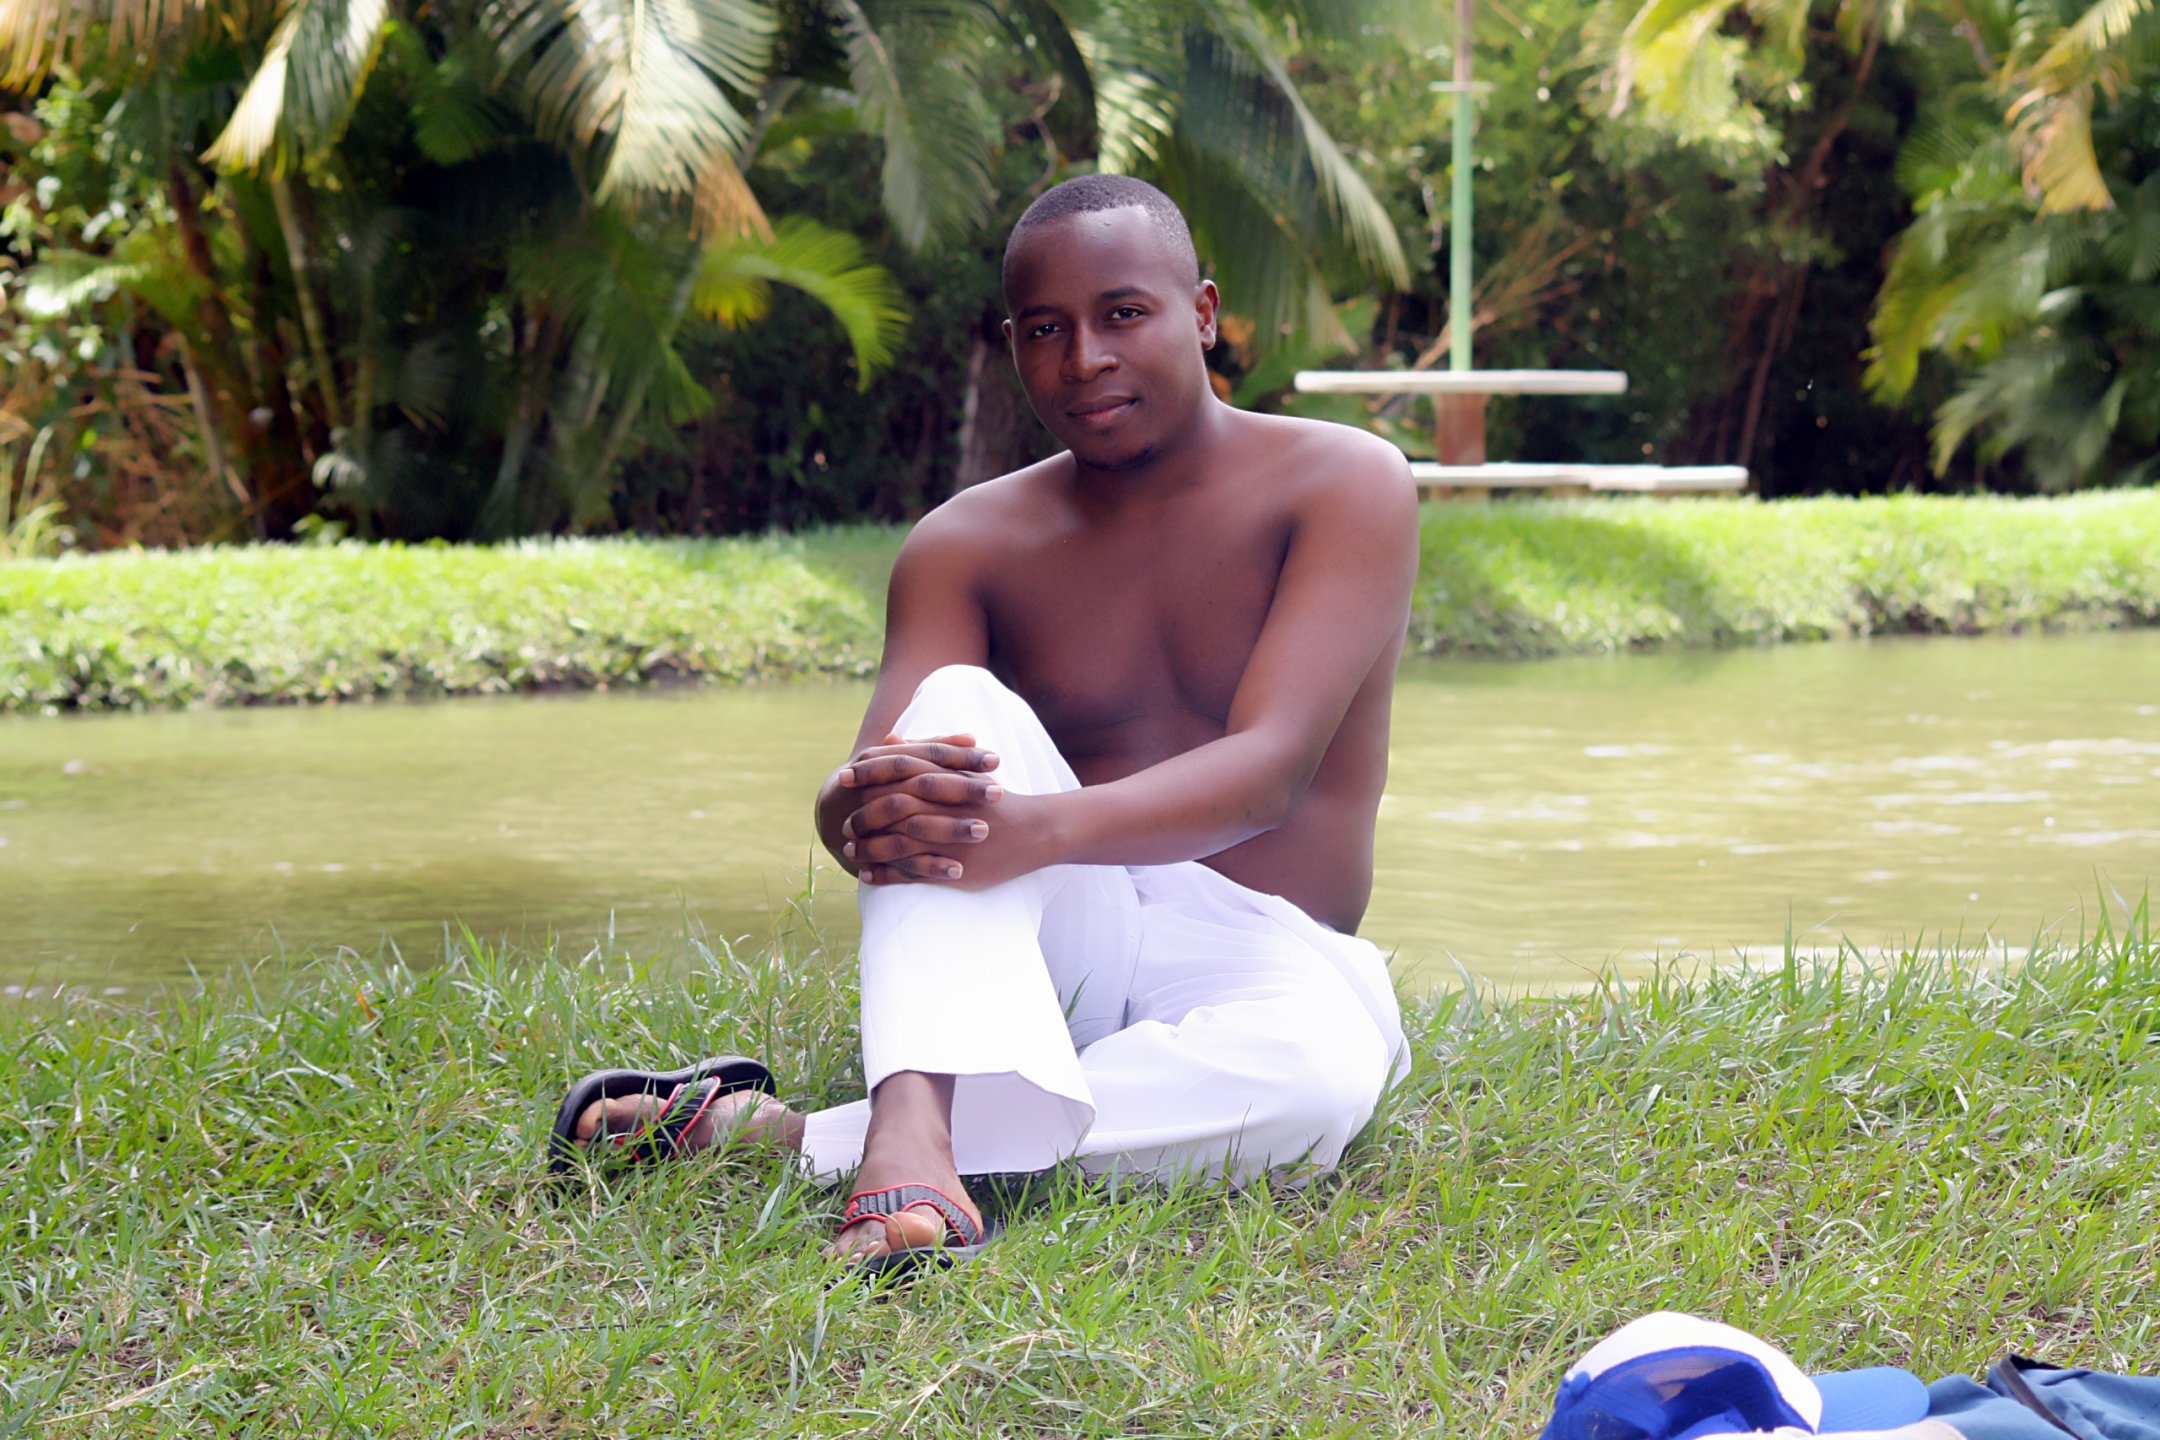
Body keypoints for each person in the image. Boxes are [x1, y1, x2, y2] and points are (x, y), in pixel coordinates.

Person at [560, 174, 1420, 1273]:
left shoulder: (1344, 482)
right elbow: (878, 788)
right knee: (953, 713)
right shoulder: (967, 542)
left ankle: (792, 1136)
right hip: (1052, 935)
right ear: (1014, 347)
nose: (1085, 359)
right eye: (1045, 330)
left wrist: (1033, 831)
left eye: (1123, 314)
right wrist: (853, 805)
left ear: (1203, 314)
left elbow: (1268, 771)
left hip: (1263, 950)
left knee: (1312, 1087)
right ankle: (912, 1121)